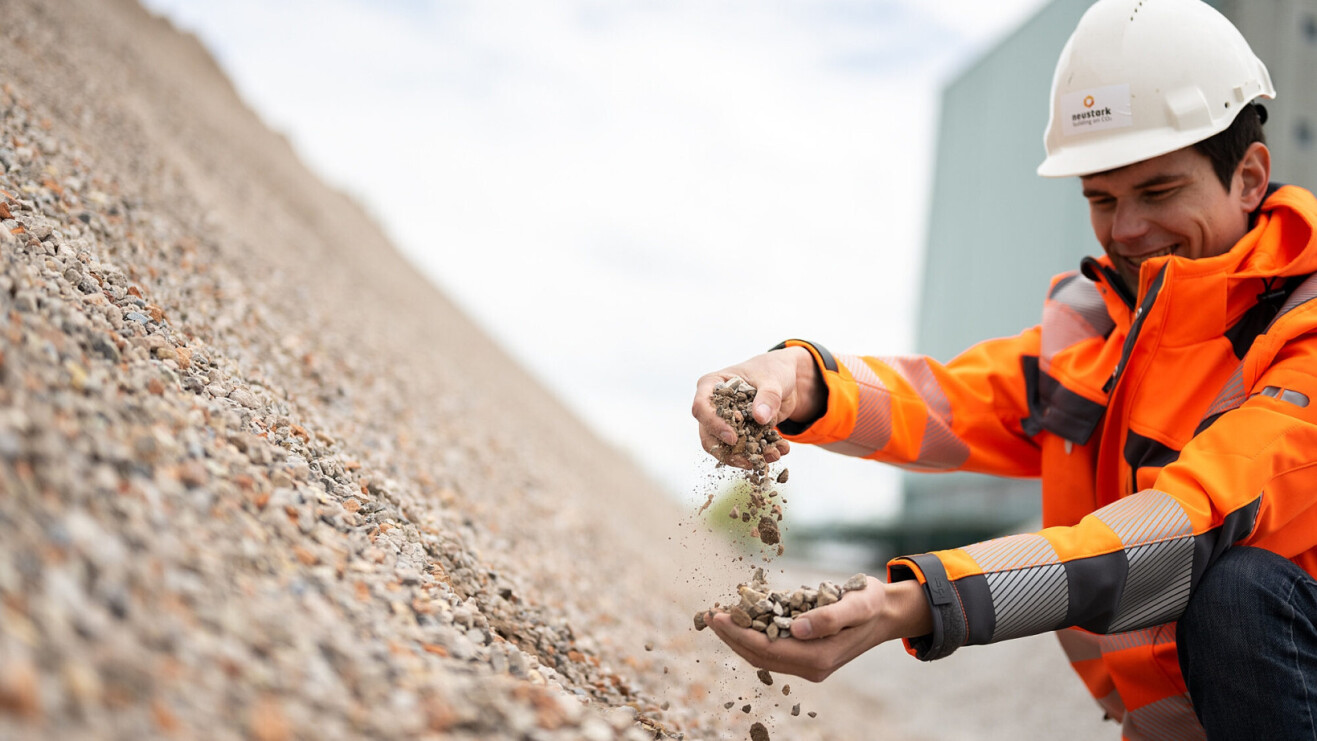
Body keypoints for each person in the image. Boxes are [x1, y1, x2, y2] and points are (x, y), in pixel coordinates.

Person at [690, 1, 1317, 738]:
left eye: (1157, 191)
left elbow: (1179, 528)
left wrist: (914, 601)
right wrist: (799, 379)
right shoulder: (1102, 333)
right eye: (1101, 199)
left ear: (1248, 178)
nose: (1126, 231)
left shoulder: (1301, 326)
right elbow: (950, 403)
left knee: (1237, 590)